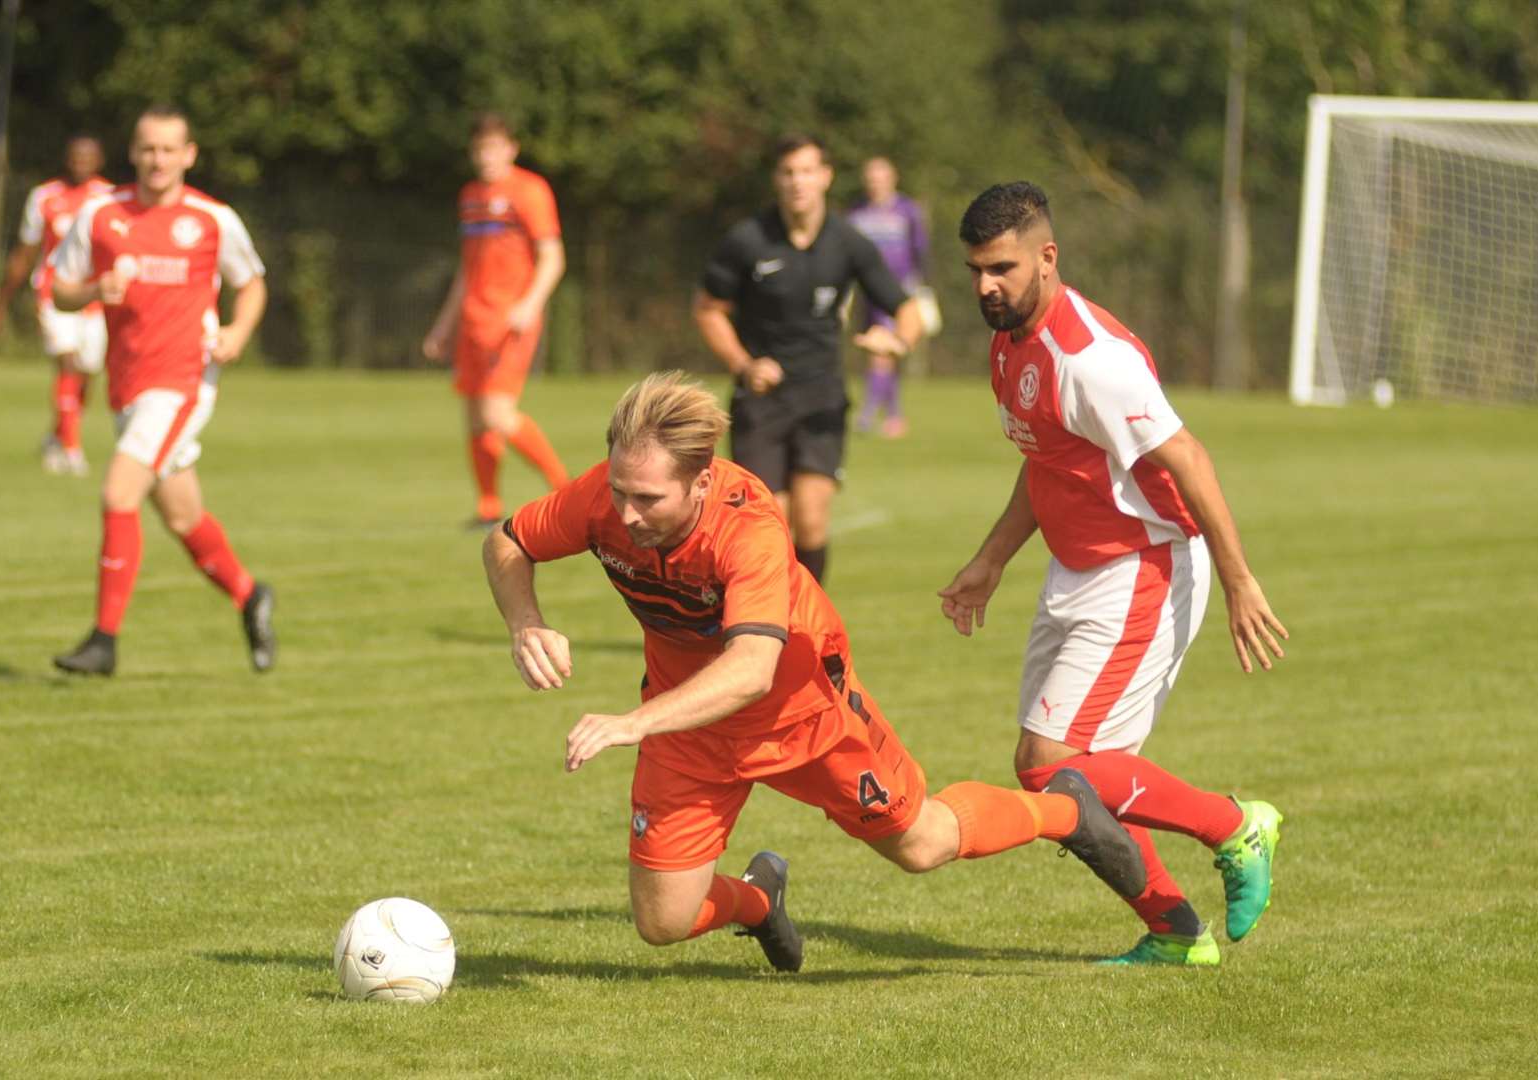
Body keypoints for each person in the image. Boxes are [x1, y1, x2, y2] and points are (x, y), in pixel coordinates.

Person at [483, 371, 1146, 972]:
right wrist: (526, 624)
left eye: (648, 500)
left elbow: (751, 670)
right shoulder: (603, 497)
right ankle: (759, 903)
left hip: (804, 714)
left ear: (703, 481)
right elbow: (509, 540)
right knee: (662, 922)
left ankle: (1062, 810)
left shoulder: (749, 532)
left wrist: (633, 723)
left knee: (922, 845)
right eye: (620, 491)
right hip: (691, 724)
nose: (626, 516)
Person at [939, 182, 1291, 967]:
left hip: (1144, 566)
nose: (983, 286)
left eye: (999, 268)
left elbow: (1189, 459)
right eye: (973, 270)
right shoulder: (1008, 345)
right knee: (1070, 780)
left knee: (1053, 764)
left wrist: (1239, 582)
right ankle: (1173, 933)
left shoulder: (1090, 360)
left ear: (1046, 257)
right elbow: (1047, 465)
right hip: (1078, 569)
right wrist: (990, 560)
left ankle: (1236, 826)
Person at [48, 105, 275, 677]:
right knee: (182, 516)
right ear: (133, 152)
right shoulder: (101, 214)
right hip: (126, 385)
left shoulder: (212, 219)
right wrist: (96, 288)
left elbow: (251, 284)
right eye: (149, 148)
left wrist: (238, 332)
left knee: (119, 493)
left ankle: (104, 641)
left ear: (189, 155)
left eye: (169, 149)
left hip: (183, 381)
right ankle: (250, 596)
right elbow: (60, 292)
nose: (158, 159)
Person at [693, 134, 922, 585]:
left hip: (822, 397)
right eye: (788, 172)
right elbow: (707, 310)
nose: (798, 181)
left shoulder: (848, 242)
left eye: (807, 171)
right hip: (761, 400)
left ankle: (807, 625)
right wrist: (744, 365)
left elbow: (907, 309)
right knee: (769, 523)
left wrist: (897, 342)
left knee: (812, 518)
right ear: (776, 180)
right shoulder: (747, 240)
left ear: (825, 176)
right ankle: (765, 622)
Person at [423, 112, 569, 528]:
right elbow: (467, 270)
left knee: (497, 414)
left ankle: (564, 487)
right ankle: (488, 507)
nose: (486, 156)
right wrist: (444, 325)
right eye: (479, 149)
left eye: (494, 147)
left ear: (511, 148)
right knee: (473, 415)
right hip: (474, 320)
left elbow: (553, 258)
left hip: (510, 321)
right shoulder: (470, 196)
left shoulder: (530, 190)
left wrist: (529, 303)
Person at [0, 135, 115, 476]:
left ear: (98, 161)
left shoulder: (109, 198)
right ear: (66, 158)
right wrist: (2, 301)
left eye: (87, 157)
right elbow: (26, 251)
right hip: (53, 293)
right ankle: (72, 450)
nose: (80, 163)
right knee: (68, 363)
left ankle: (58, 435)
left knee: (87, 371)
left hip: (93, 298)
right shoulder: (44, 197)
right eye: (75, 156)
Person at [846, 156, 930, 439]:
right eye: (870, 178)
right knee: (883, 353)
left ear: (893, 178)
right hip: (866, 293)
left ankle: (868, 415)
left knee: (882, 353)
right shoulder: (856, 213)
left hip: (898, 293)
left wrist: (919, 288)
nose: (875, 183)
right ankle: (894, 416)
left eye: (880, 178)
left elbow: (919, 249)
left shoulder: (907, 210)